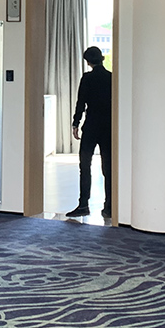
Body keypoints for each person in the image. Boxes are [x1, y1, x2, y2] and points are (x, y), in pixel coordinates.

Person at [69, 46, 112, 218]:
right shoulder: (111, 77)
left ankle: (83, 205)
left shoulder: (87, 78)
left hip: (91, 126)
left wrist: (76, 123)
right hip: (108, 126)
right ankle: (109, 206)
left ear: (88, 62)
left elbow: (81, 102)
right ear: (101, 58)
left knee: (85, 165)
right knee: (108, 167)